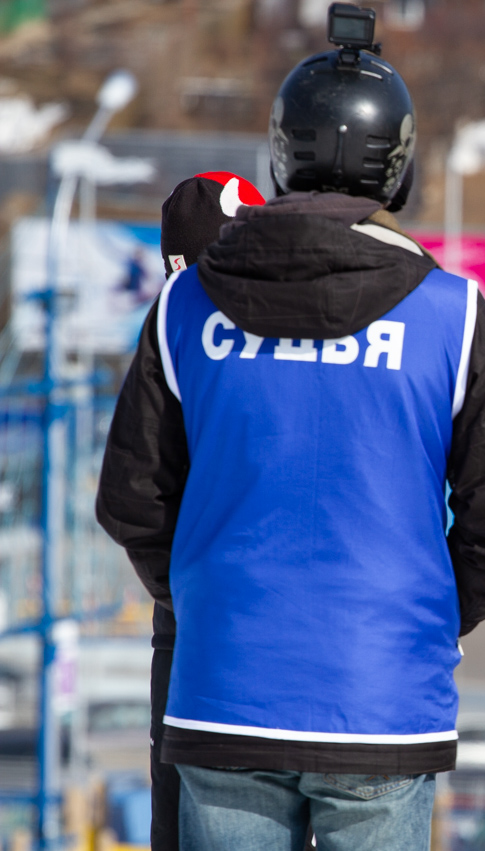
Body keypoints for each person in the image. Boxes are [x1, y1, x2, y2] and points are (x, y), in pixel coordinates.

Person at [95, 34, 485, 851]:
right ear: (398, 169)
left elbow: (133, 497)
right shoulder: (452, 314)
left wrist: (203, 597)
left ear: (280, 158)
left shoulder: (186, 308)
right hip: (381, 699)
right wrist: (425, 617)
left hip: (224, 688)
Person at [142, 170, 266, 851]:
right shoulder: (288, 336)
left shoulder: (172, 336)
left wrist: (182, 589)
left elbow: (135, 497)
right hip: (258, 623)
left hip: (194, 617)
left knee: (182, 815)